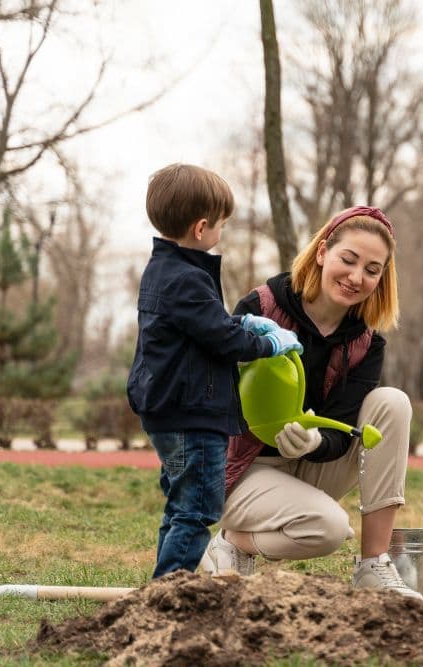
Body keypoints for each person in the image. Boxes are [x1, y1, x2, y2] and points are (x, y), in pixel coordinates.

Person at [199, 205, 423, 601]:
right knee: (329, 530)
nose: (356, 277)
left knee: (393, 402)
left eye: (372, 270)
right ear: (322, 252)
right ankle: (232, 542)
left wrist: (317, 442)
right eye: (348, 260)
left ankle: (374, 564)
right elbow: (214, 395)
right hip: (241, 470)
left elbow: (342, 430)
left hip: (308, 465)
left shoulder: (367, 343)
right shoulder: (259, 308)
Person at [127, 163, 303, 579]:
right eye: (222, 224)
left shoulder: (163, 270)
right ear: (202, 228)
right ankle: (171, 589)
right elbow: (222, 342)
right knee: (200, 506)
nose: (222, 231)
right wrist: (267, 344)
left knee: (180, 504)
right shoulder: (188, 278)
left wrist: (241, 322)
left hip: (168, 410)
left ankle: (167, 581)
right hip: (192, 414)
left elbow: (201, 330)